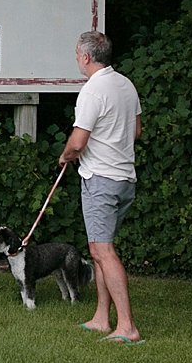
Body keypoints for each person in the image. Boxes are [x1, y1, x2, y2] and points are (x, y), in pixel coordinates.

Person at [59, 30, 144, 343]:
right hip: (125, 180)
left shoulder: (93, 90)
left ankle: (127, 327)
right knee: (99, 250)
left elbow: (78, 140)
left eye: (76, 54)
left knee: (102, 251)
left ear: (85, 56)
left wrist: (66, 155)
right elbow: (135, 131)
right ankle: (100, 318)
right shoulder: (126, 84)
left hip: (102, 180)